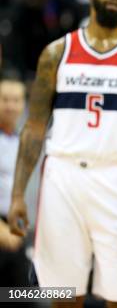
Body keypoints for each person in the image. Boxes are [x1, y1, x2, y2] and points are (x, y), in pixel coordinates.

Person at [7, 0, 117, 307]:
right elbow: (34, 128)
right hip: (63, 179)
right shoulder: (56, 53)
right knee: (64, 295)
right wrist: (18, 193)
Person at [0, 75, 29, 287]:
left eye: (16, 100)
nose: (10, 106)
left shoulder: (26, 140)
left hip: (17, 228)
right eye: (4, 99)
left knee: (21, 296)